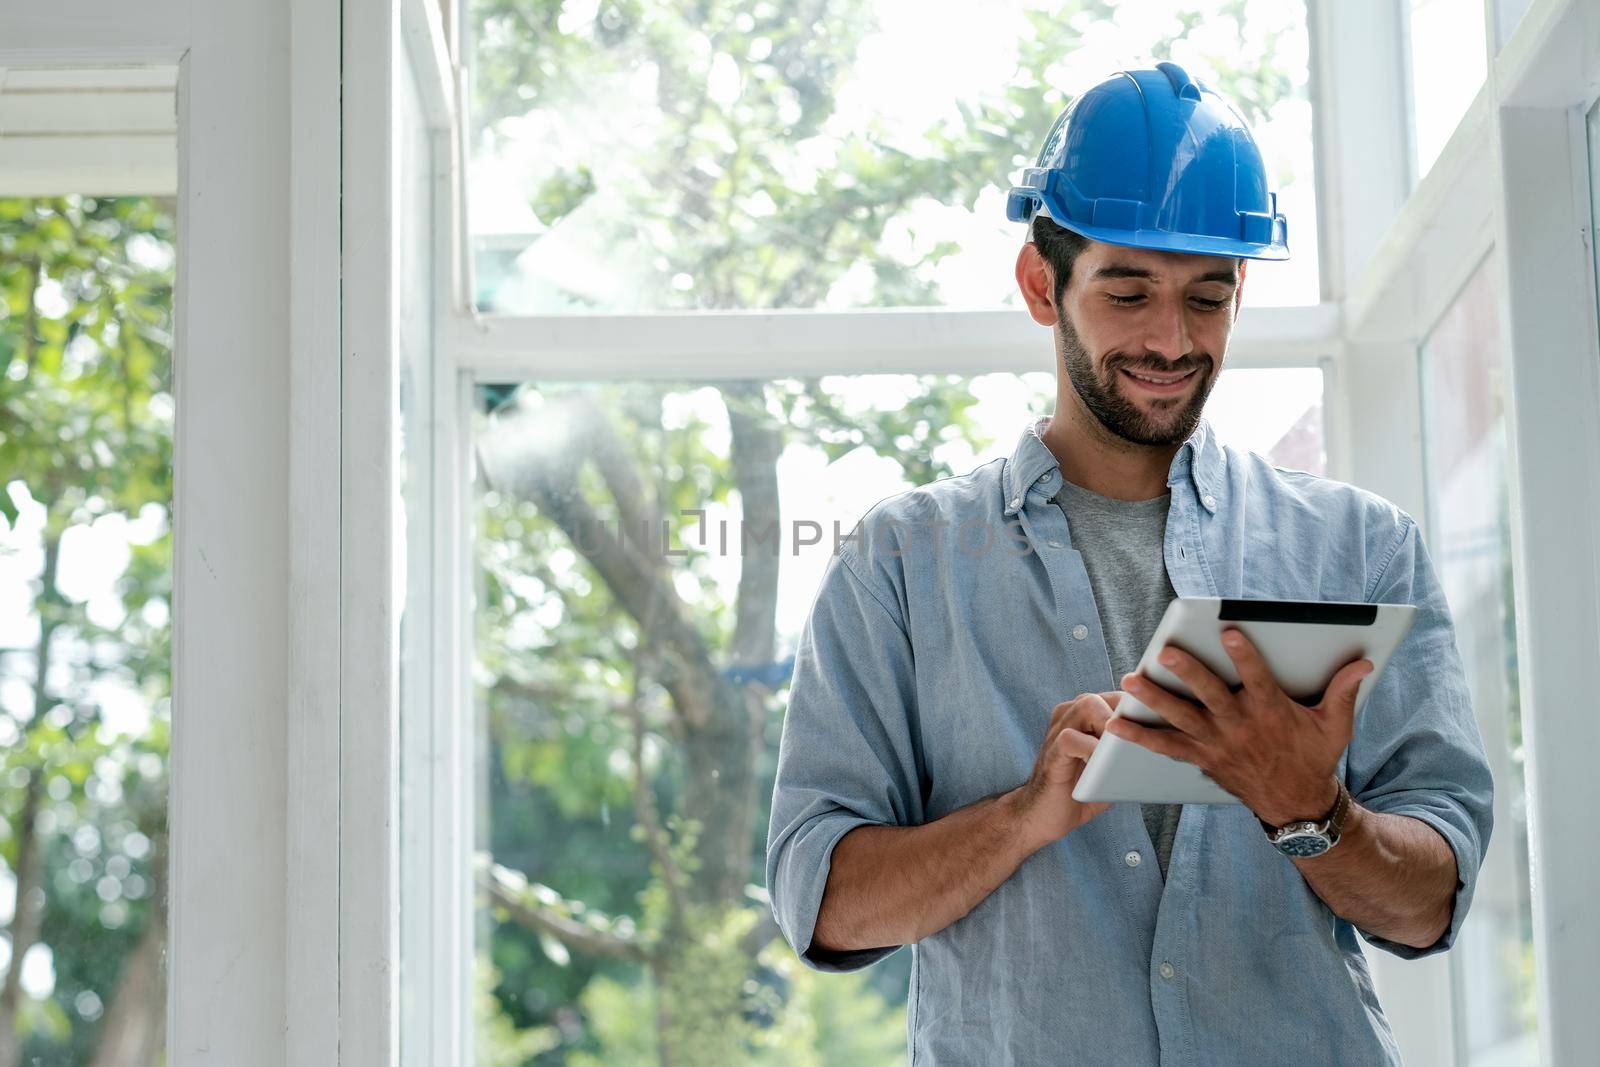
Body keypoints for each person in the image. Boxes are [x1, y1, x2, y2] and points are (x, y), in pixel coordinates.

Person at [763, 62, 1493, 1066]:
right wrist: (1024, 815)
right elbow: (823, 901)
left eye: (1208, 297)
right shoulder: (900, 564)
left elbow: (1427, 903)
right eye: (1126, 290)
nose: (1169, 337)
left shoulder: (1359, 550)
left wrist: (1309, 809)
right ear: (1039, 284)